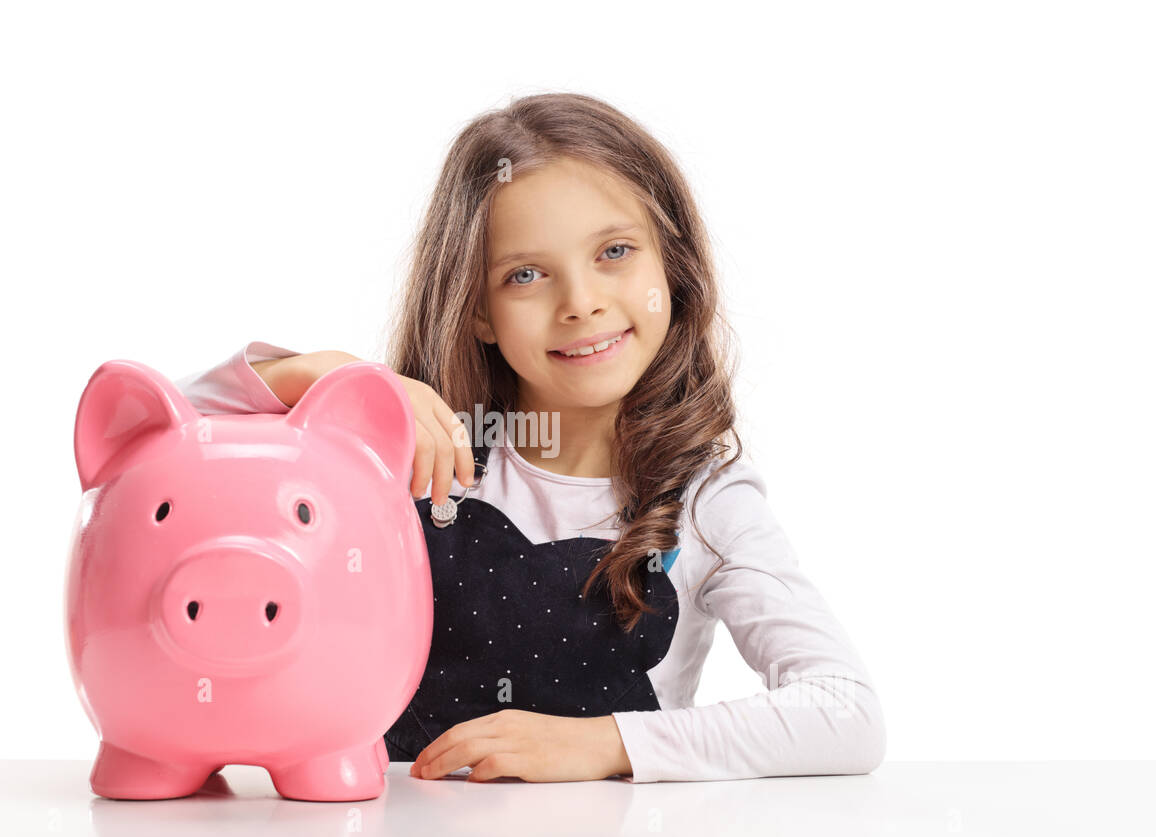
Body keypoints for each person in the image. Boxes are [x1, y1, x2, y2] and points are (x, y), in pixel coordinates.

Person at [173, 92, 886, 785]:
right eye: (526, 275)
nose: (581, 303)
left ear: (670, 265)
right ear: (478, 311)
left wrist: (604, 745)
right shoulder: (417, 447)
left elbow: (844, 712)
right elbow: (172, 432)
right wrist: (319, 373)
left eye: (614, 251)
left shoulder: (706, 499)